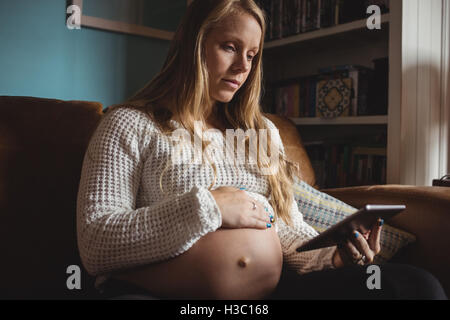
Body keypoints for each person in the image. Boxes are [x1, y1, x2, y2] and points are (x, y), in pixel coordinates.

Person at [76, 0, 447, 300]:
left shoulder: (260, 133)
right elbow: (96, 243)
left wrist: (333, 255)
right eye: (230, 47)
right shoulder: (129, 124)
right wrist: (210, 207)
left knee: (416, 286)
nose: (242, 67)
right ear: (192, 45)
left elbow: (285, 229)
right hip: (164, 294)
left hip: (273, 290)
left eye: (252, 55)